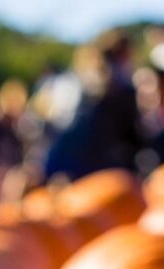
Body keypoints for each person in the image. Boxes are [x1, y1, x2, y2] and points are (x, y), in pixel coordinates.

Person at [46, 32, 143, 179]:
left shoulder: (79, 79)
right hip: (100, 164)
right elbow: (129, 132)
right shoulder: (118, 85)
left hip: (68, 159)